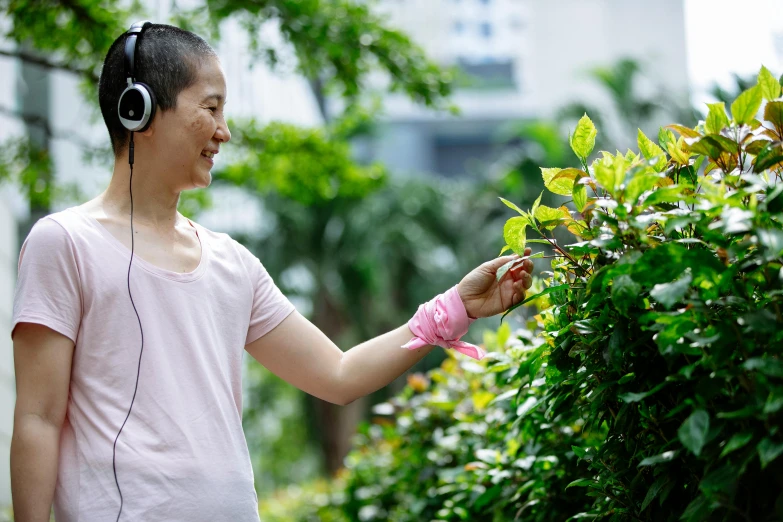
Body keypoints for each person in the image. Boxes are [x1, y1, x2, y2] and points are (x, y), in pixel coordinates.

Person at [9, 22, 534, 522]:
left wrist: (453, 310)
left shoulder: (233, 264)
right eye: (210, 108)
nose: (225, 131)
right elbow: (37, 418)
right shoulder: (64, 243)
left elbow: (338, 376)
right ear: (138, 110)